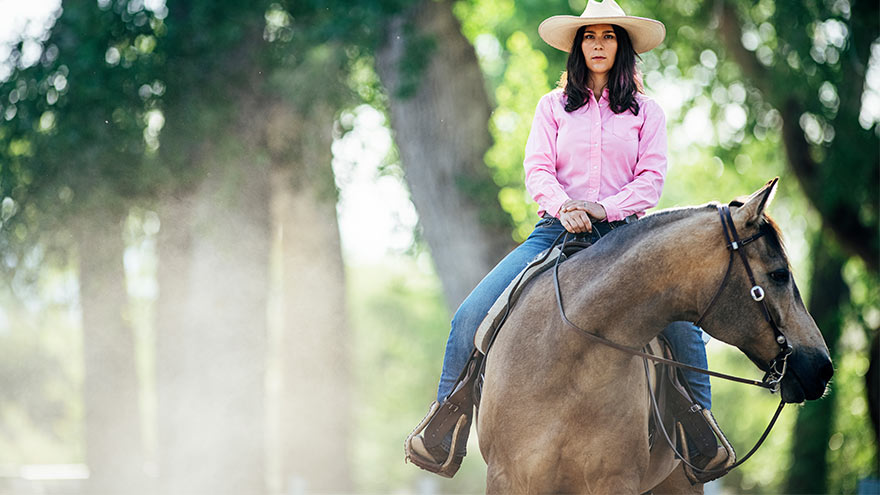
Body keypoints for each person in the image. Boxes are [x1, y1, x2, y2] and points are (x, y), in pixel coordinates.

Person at [407, 0, 732, 483]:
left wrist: (604, 209)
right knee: (472, 314)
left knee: (682, 324)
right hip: (554, 231)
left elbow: (650, 180)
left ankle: (698, 423)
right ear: (578, 46)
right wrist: (565, 206)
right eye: (589, 36)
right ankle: (446, 419)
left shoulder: (648, 112)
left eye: (608, 36)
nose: (598, 44)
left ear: (621, 46)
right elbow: (538, 168)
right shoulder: (551, 107)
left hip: (625, 236)